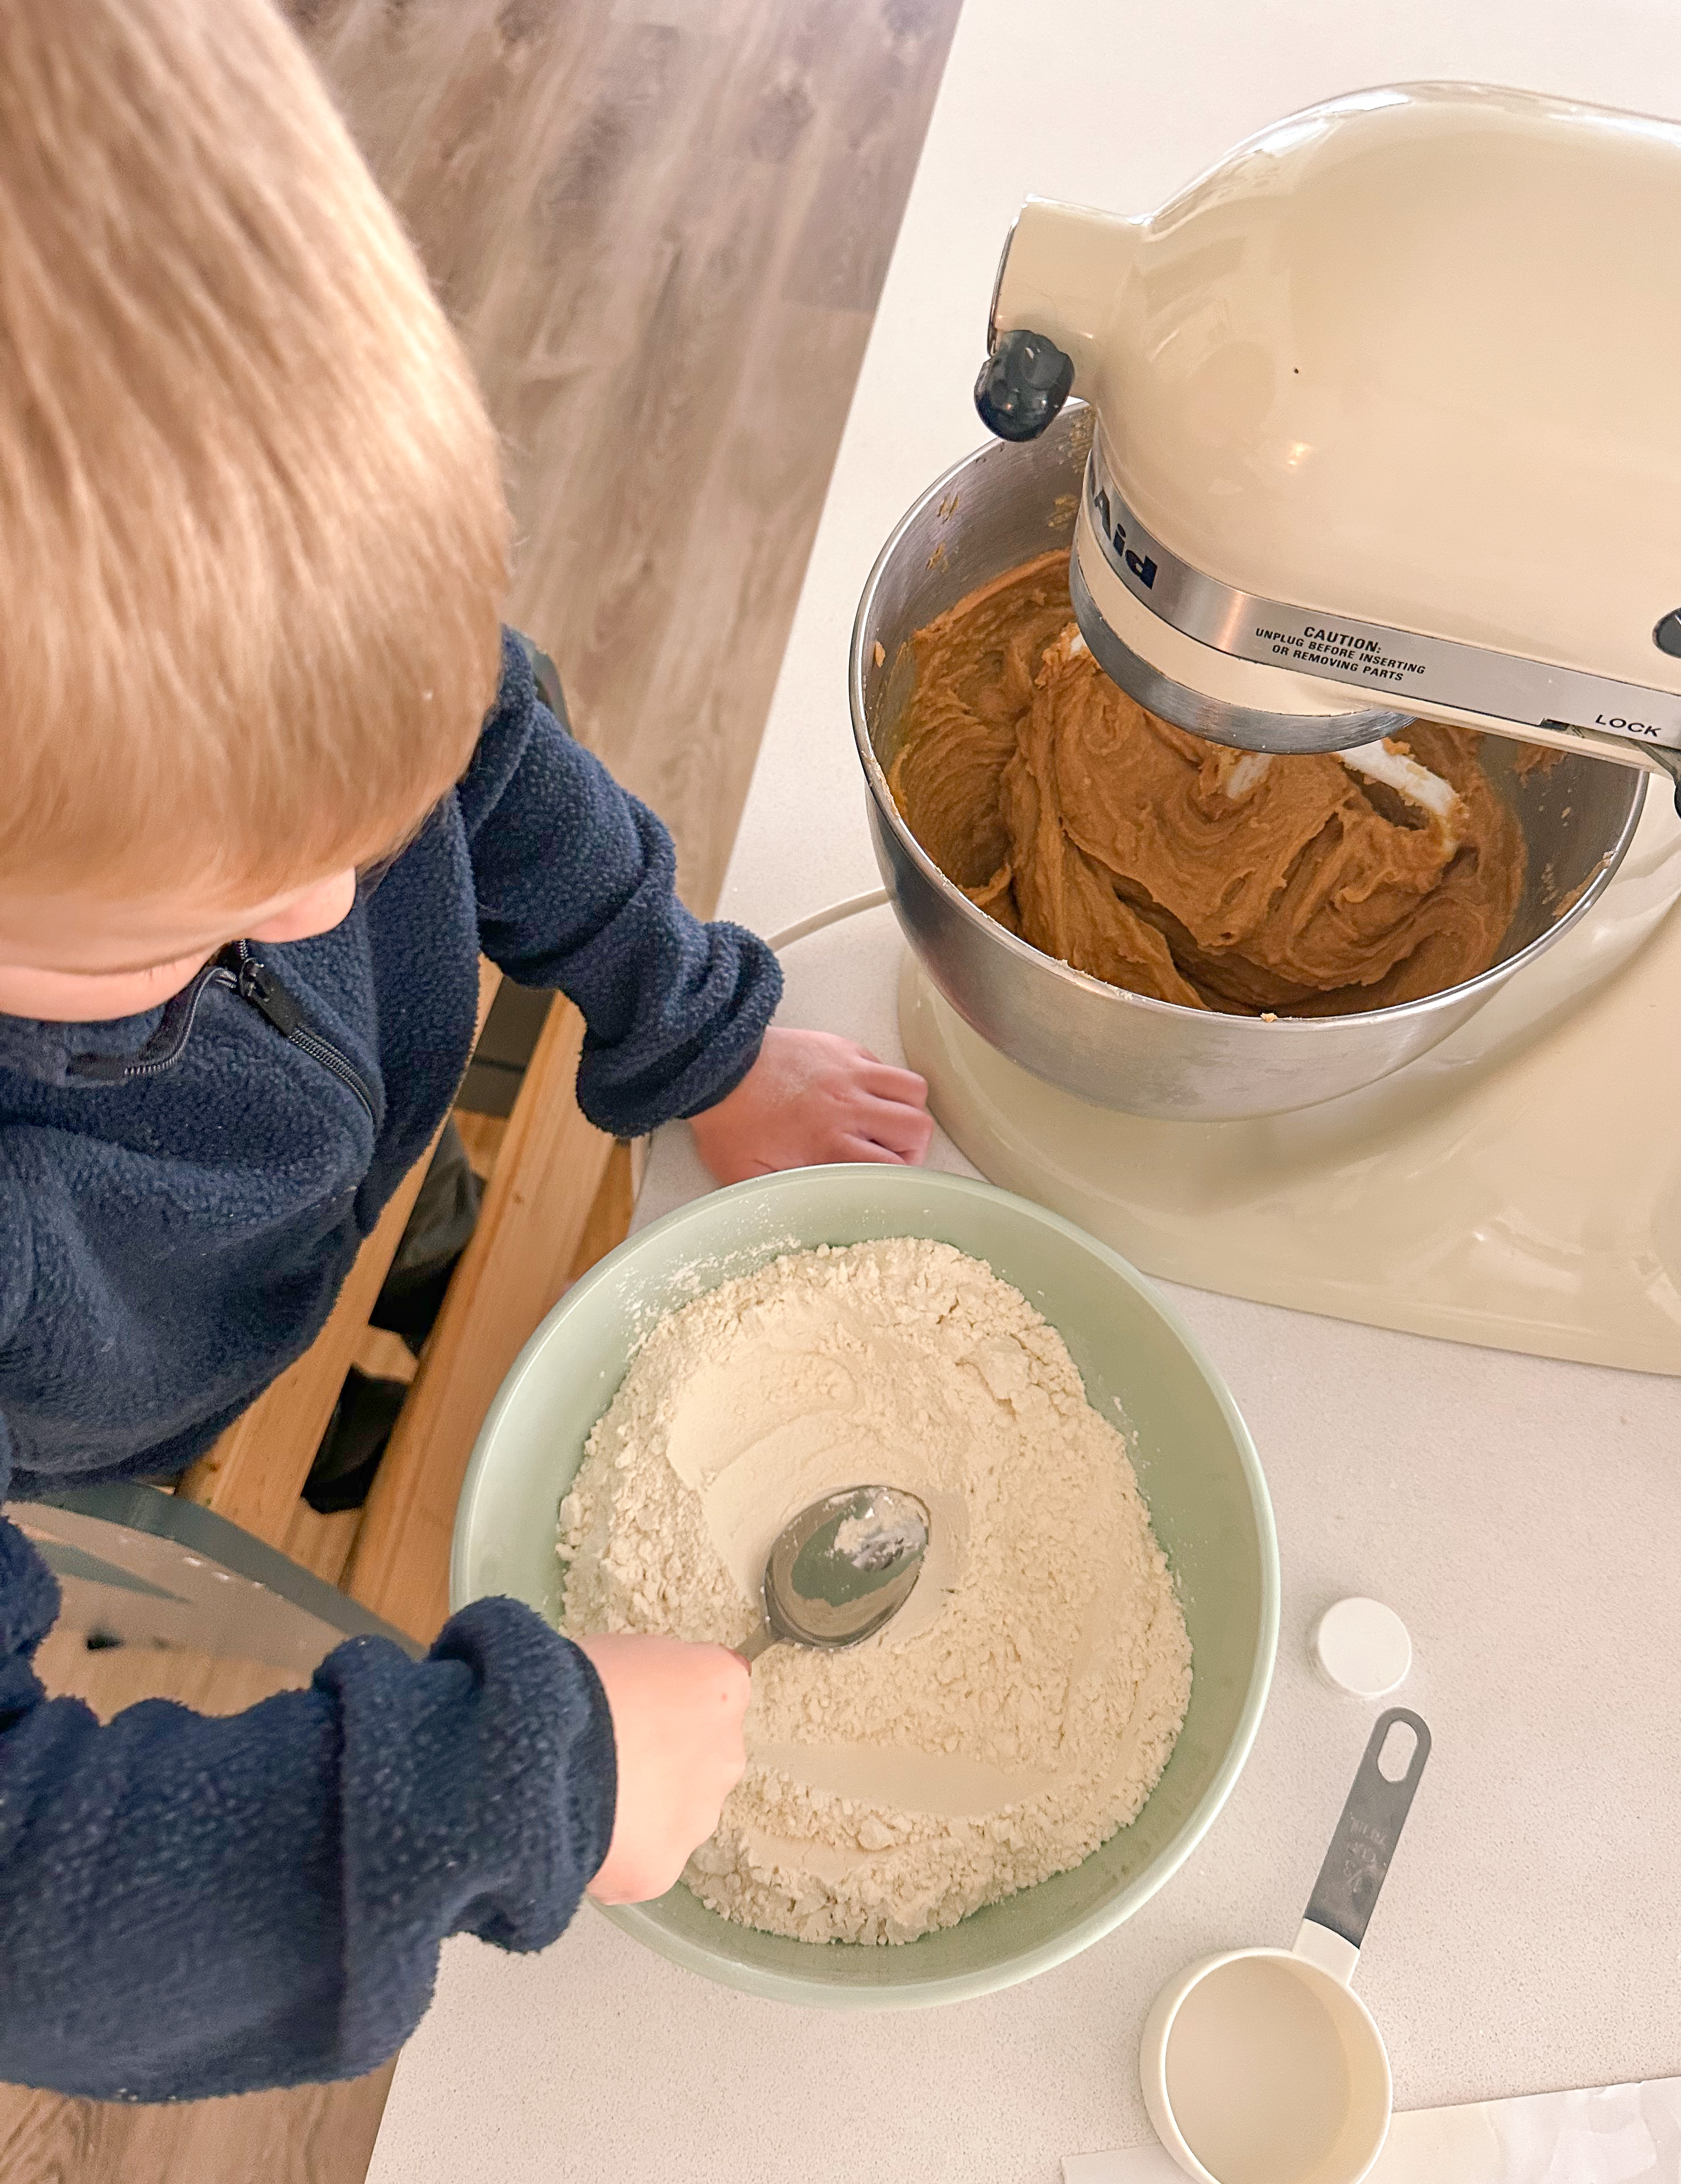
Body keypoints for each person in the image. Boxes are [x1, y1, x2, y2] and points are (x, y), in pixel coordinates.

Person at [0, 0, 933, 2103]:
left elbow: (494, 763)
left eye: (367, 816)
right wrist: (519, 1783)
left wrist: (693, 1036)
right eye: (201, 916)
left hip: (294, 1207)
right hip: (94, 1398)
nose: (338, 912)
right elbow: (41, 1920)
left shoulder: (273, 651)